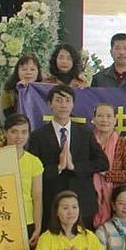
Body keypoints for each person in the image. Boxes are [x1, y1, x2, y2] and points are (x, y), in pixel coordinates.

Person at [28, 84, 109, 229]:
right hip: (51, 203)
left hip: (82, 202)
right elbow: (32, 172)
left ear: (73, 104)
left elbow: (103, 163)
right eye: (58, 100)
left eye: (67, 101)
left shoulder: (85, 132)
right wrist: (58, 168)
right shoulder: (38, 136)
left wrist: (74, 167)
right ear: (50, 104)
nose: (63, 105)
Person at [91, 102, 126, 227]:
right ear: (94, 119)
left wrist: (107, 175)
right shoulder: (86, 141)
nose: (104, 120)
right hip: (90, 196)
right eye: (100, 116)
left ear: (115, 119)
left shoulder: (124, 143)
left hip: (117, 199)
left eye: (108, 116)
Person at [3, 113, 44, 245]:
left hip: (26, 220)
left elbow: (37, 197)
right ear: (5, 133)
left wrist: (38, 227)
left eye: (24, 132)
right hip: (0, 220)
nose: (19, 136)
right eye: (14, 131)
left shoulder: (34, 162)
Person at [0, 53, 42, 121]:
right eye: (24, 69)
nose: (28, 72)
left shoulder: (44, 89)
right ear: (17, 72)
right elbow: (7, 113)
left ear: (38, 72)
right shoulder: (9, 89)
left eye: (32, 69)